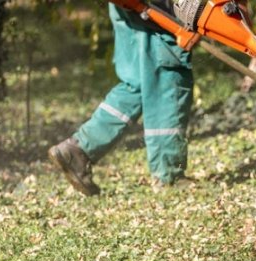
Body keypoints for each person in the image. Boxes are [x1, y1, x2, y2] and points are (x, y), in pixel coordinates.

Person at [49, 2, 193, 195]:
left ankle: (79, 149)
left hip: (127, 6)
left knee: (137, 83)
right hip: (154, 7)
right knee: (166, 80)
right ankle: (168, 176)